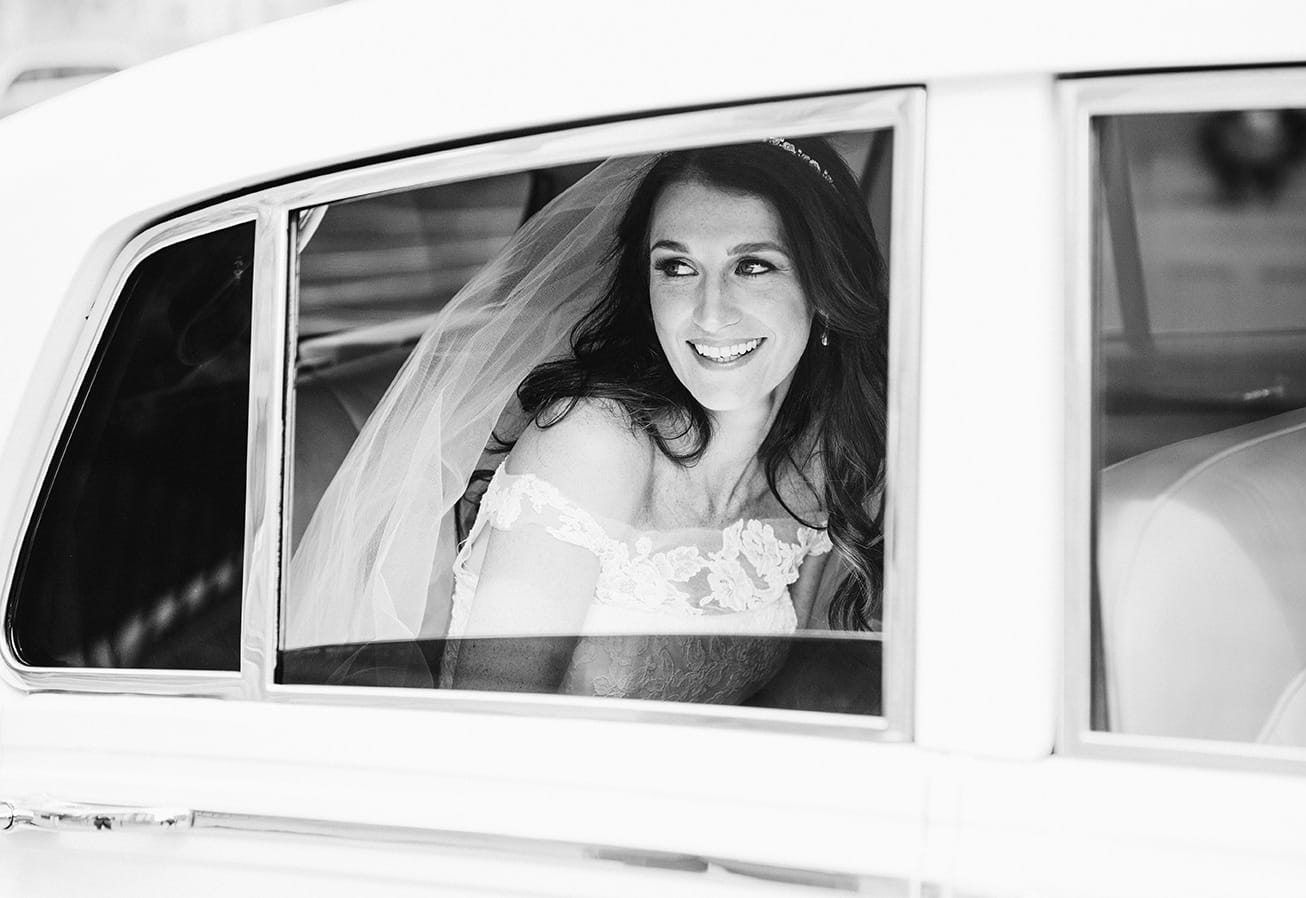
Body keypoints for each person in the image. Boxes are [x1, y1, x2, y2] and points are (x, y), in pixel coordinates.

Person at [286, 137, 887, 705]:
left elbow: (799, 703)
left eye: (752, 266)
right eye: (676, 268)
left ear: (824, 287)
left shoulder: (819, 458)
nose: (708, 313)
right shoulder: (591, 443)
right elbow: (494, 732)